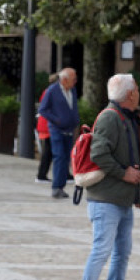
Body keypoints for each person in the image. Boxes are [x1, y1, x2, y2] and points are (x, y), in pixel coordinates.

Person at [74, 73, 140, 280]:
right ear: (130, 94)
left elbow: (129, 160)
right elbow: (99, 154)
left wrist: (136, 194)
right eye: (136, 88)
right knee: (101, 250)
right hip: (105, 200)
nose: (138, 92)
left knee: (121, 251)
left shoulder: (125, 117)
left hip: (122, 199)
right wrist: (124, 174)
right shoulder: (110, 118)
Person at [39, 67, 80, 199]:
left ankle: (60, 186)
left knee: (66, 158)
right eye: (73, 79)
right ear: (64, 80)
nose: (75, 82)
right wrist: (56, 120)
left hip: (69, 129)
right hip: (56, 129)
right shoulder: (52, 91)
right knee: (59, 156)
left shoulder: (72, 90)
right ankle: (56, 187)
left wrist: (75, 120)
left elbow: (73, 106)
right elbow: (43, 109)